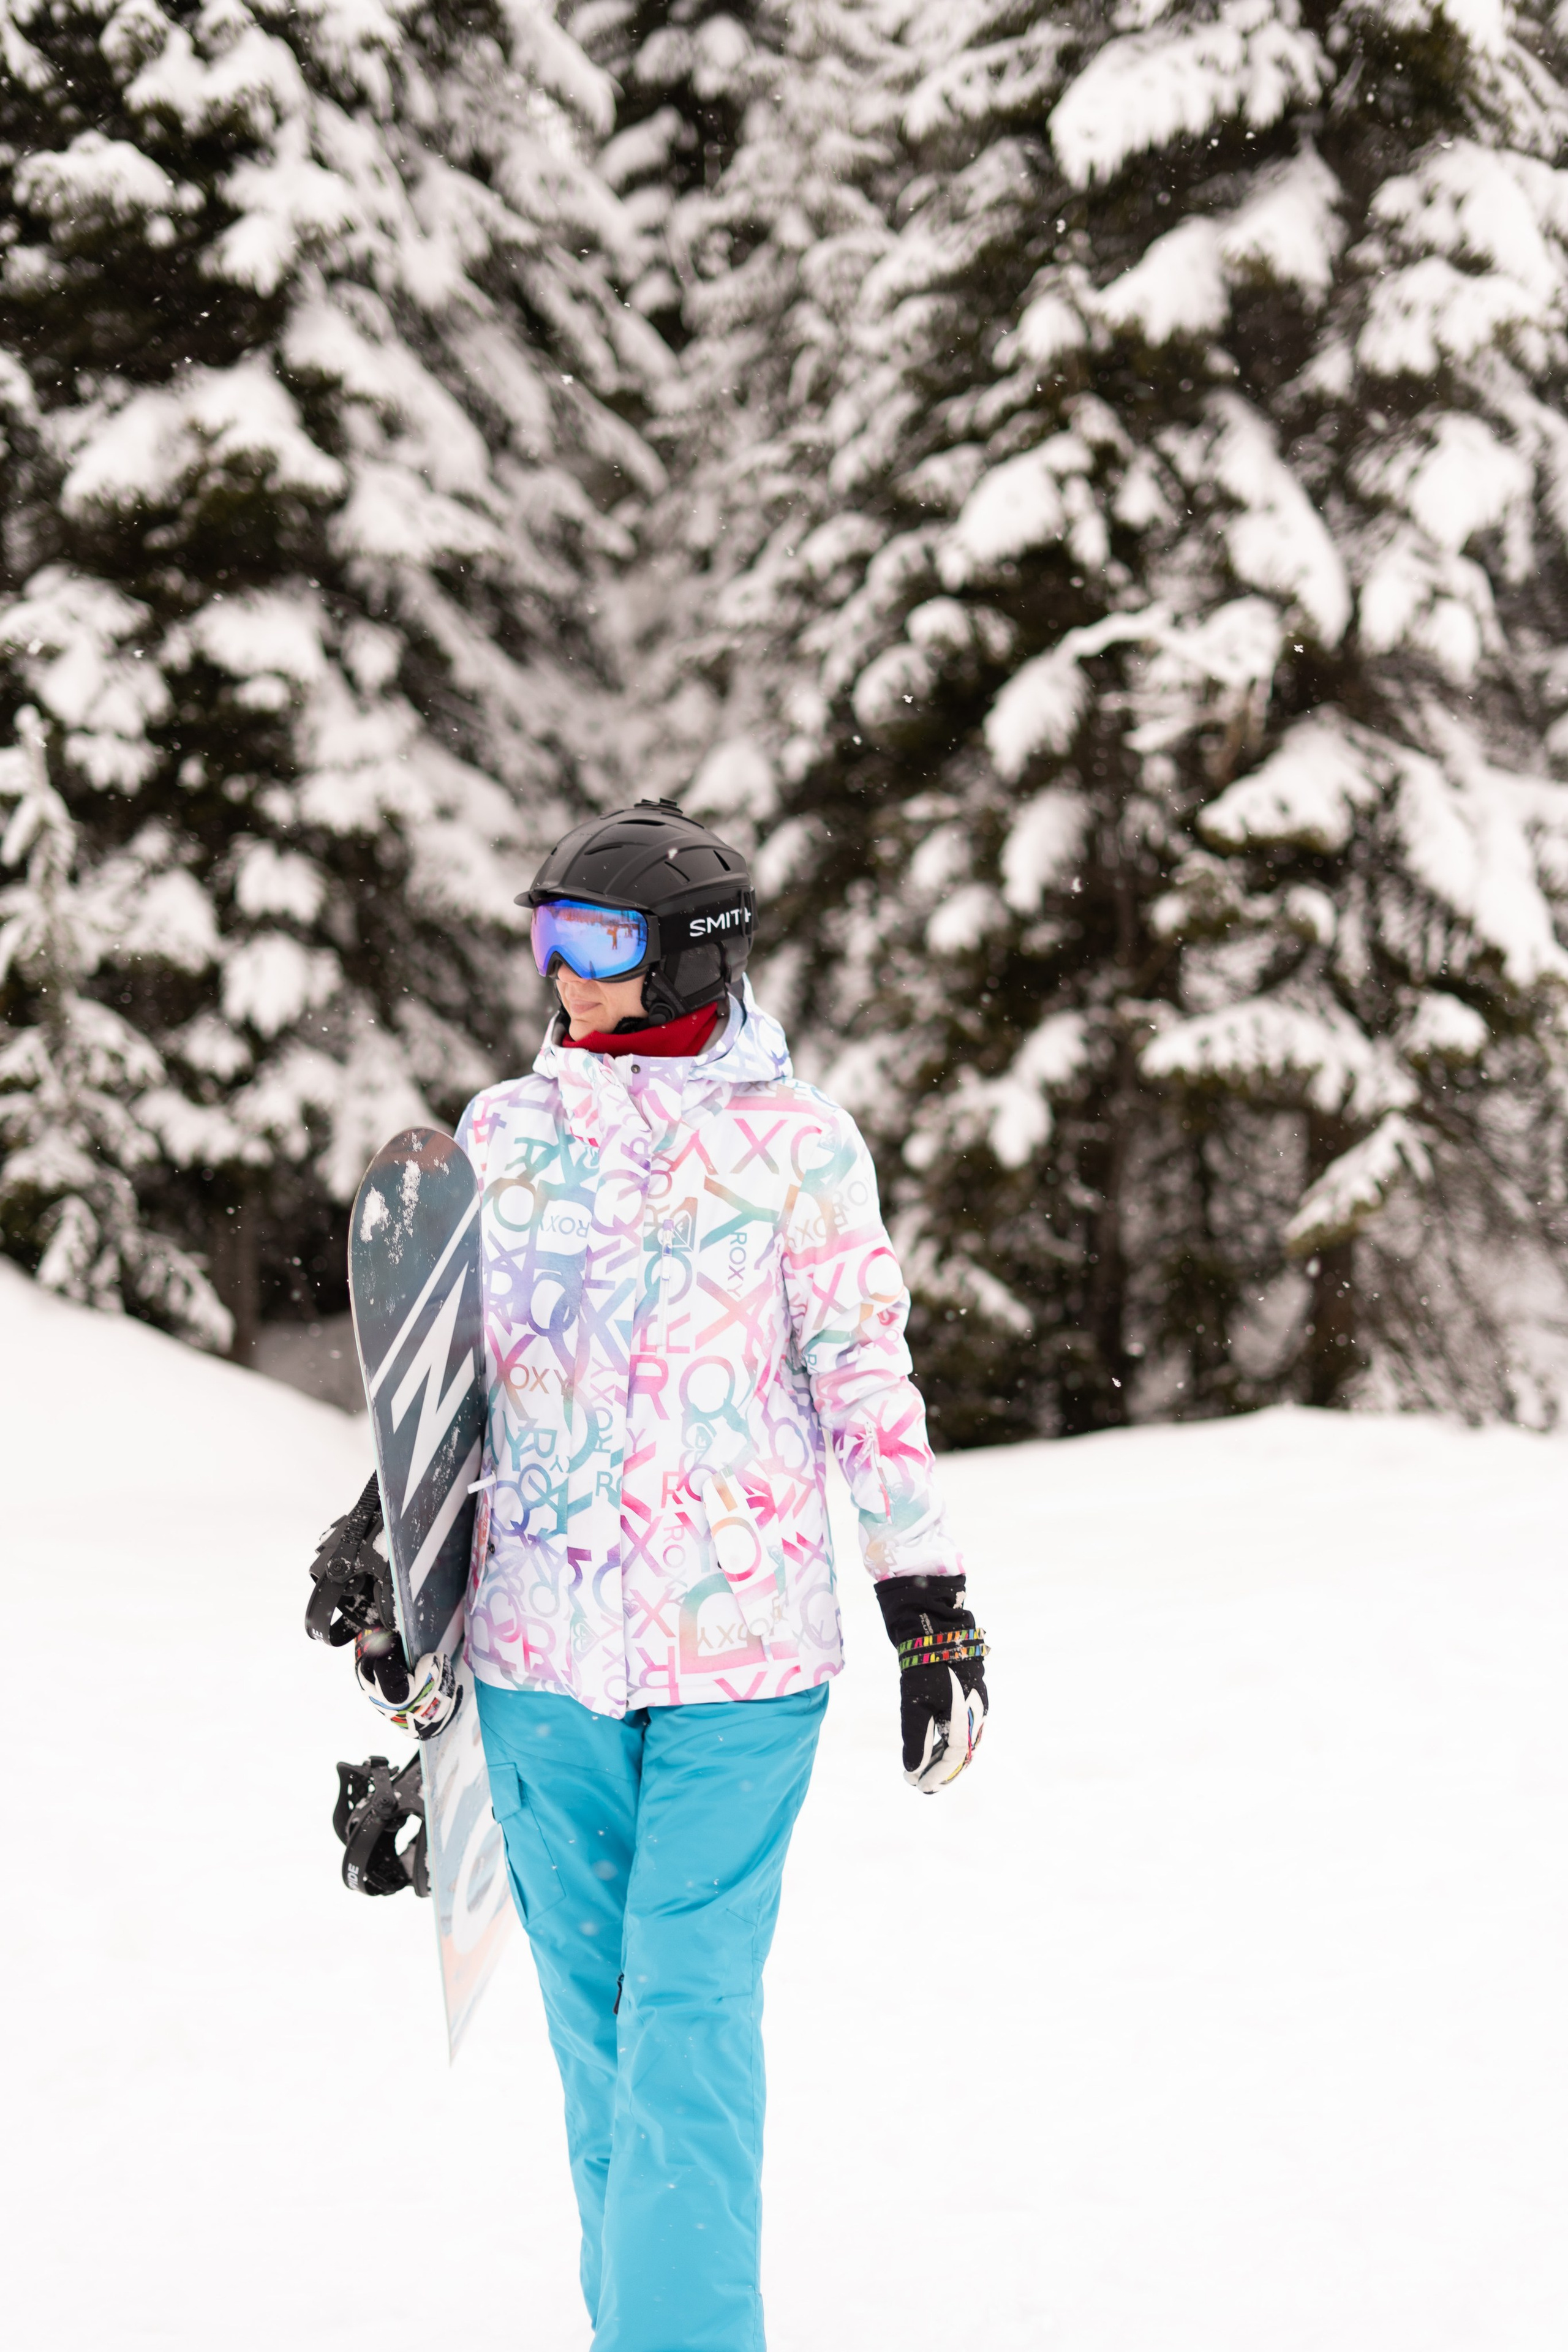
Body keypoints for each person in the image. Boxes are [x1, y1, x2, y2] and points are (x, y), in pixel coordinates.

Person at [455, 799, 988, 2351]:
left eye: (597, 939)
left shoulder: (801, 1152)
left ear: (688, 960)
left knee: (682, 2025)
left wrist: (925, 1606)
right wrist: (387, 1549)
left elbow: (863, 1384)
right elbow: (459, 1387)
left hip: (738, 1664)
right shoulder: (504, 1137)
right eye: (546, 931)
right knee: (600, 2053)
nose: (561, 968)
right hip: (537, 1659)